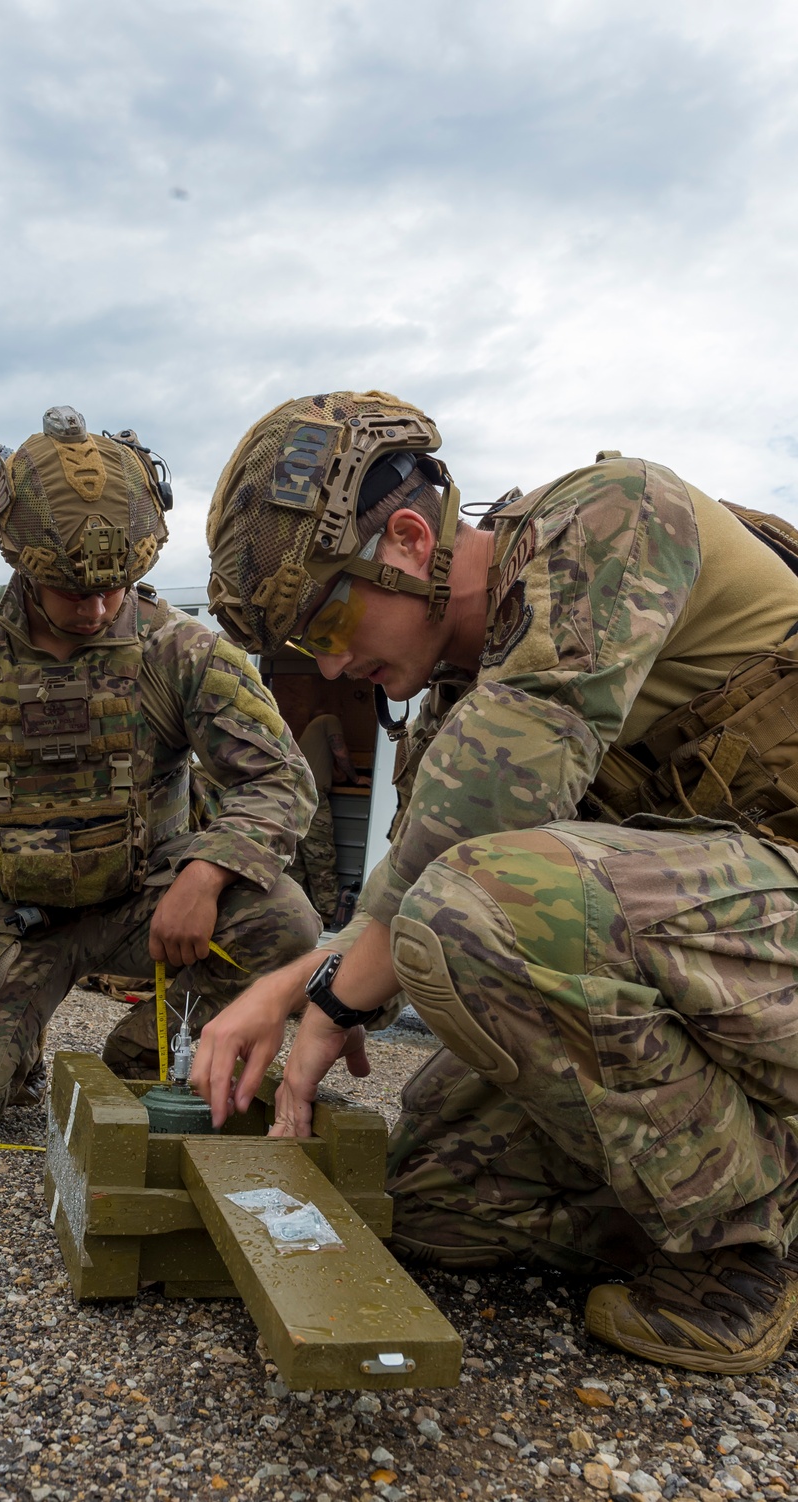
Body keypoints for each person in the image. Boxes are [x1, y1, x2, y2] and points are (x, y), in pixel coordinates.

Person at [196, 387, 798, 1375]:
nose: (335, 664)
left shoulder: (615, 515)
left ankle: (733, 1253)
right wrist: (307, 980)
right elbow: (416, 879)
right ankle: (751, 1168)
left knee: (474, 907)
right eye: (304, 650)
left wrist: (321, 997)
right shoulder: (454, 705)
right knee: (434, 1191)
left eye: (328, 620)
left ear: (402, 536)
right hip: (731, 980)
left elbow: (463, 862)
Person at [0, 406, 319, 1136]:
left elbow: (280, 780)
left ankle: (153, 1052)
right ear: (19, 564)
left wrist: (205, 875)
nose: (95, 608)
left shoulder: (181, 652)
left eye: (114, 587)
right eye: (70, 590)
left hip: (144, 906)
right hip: (7, 918)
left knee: (284, 921)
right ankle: (12, 1039)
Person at [289, 713, 369, 924]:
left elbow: (335, 770)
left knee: (295, 862)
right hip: (310, 798)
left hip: (289, 797)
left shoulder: (312, 738)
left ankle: (298, 916)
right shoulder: (331, 719)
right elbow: (341, 753)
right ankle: (328, 918)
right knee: (320, 858)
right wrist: (357, 777)